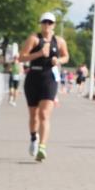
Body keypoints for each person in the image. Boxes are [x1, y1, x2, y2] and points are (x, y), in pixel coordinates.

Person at [17, 12, 69, 162]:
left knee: (44, 114)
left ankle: (42, 147)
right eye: (44, 22)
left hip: (49, 78)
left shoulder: (59, 41)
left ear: (54, 25)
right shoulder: (34, 39)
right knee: (34, 115)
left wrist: (58, 60)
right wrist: (40, 53)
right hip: (33, 77)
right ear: (41, 24)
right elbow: (21, 57)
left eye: (50, 22)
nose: (47, 25)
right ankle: (34, 137)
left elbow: (66, 56)